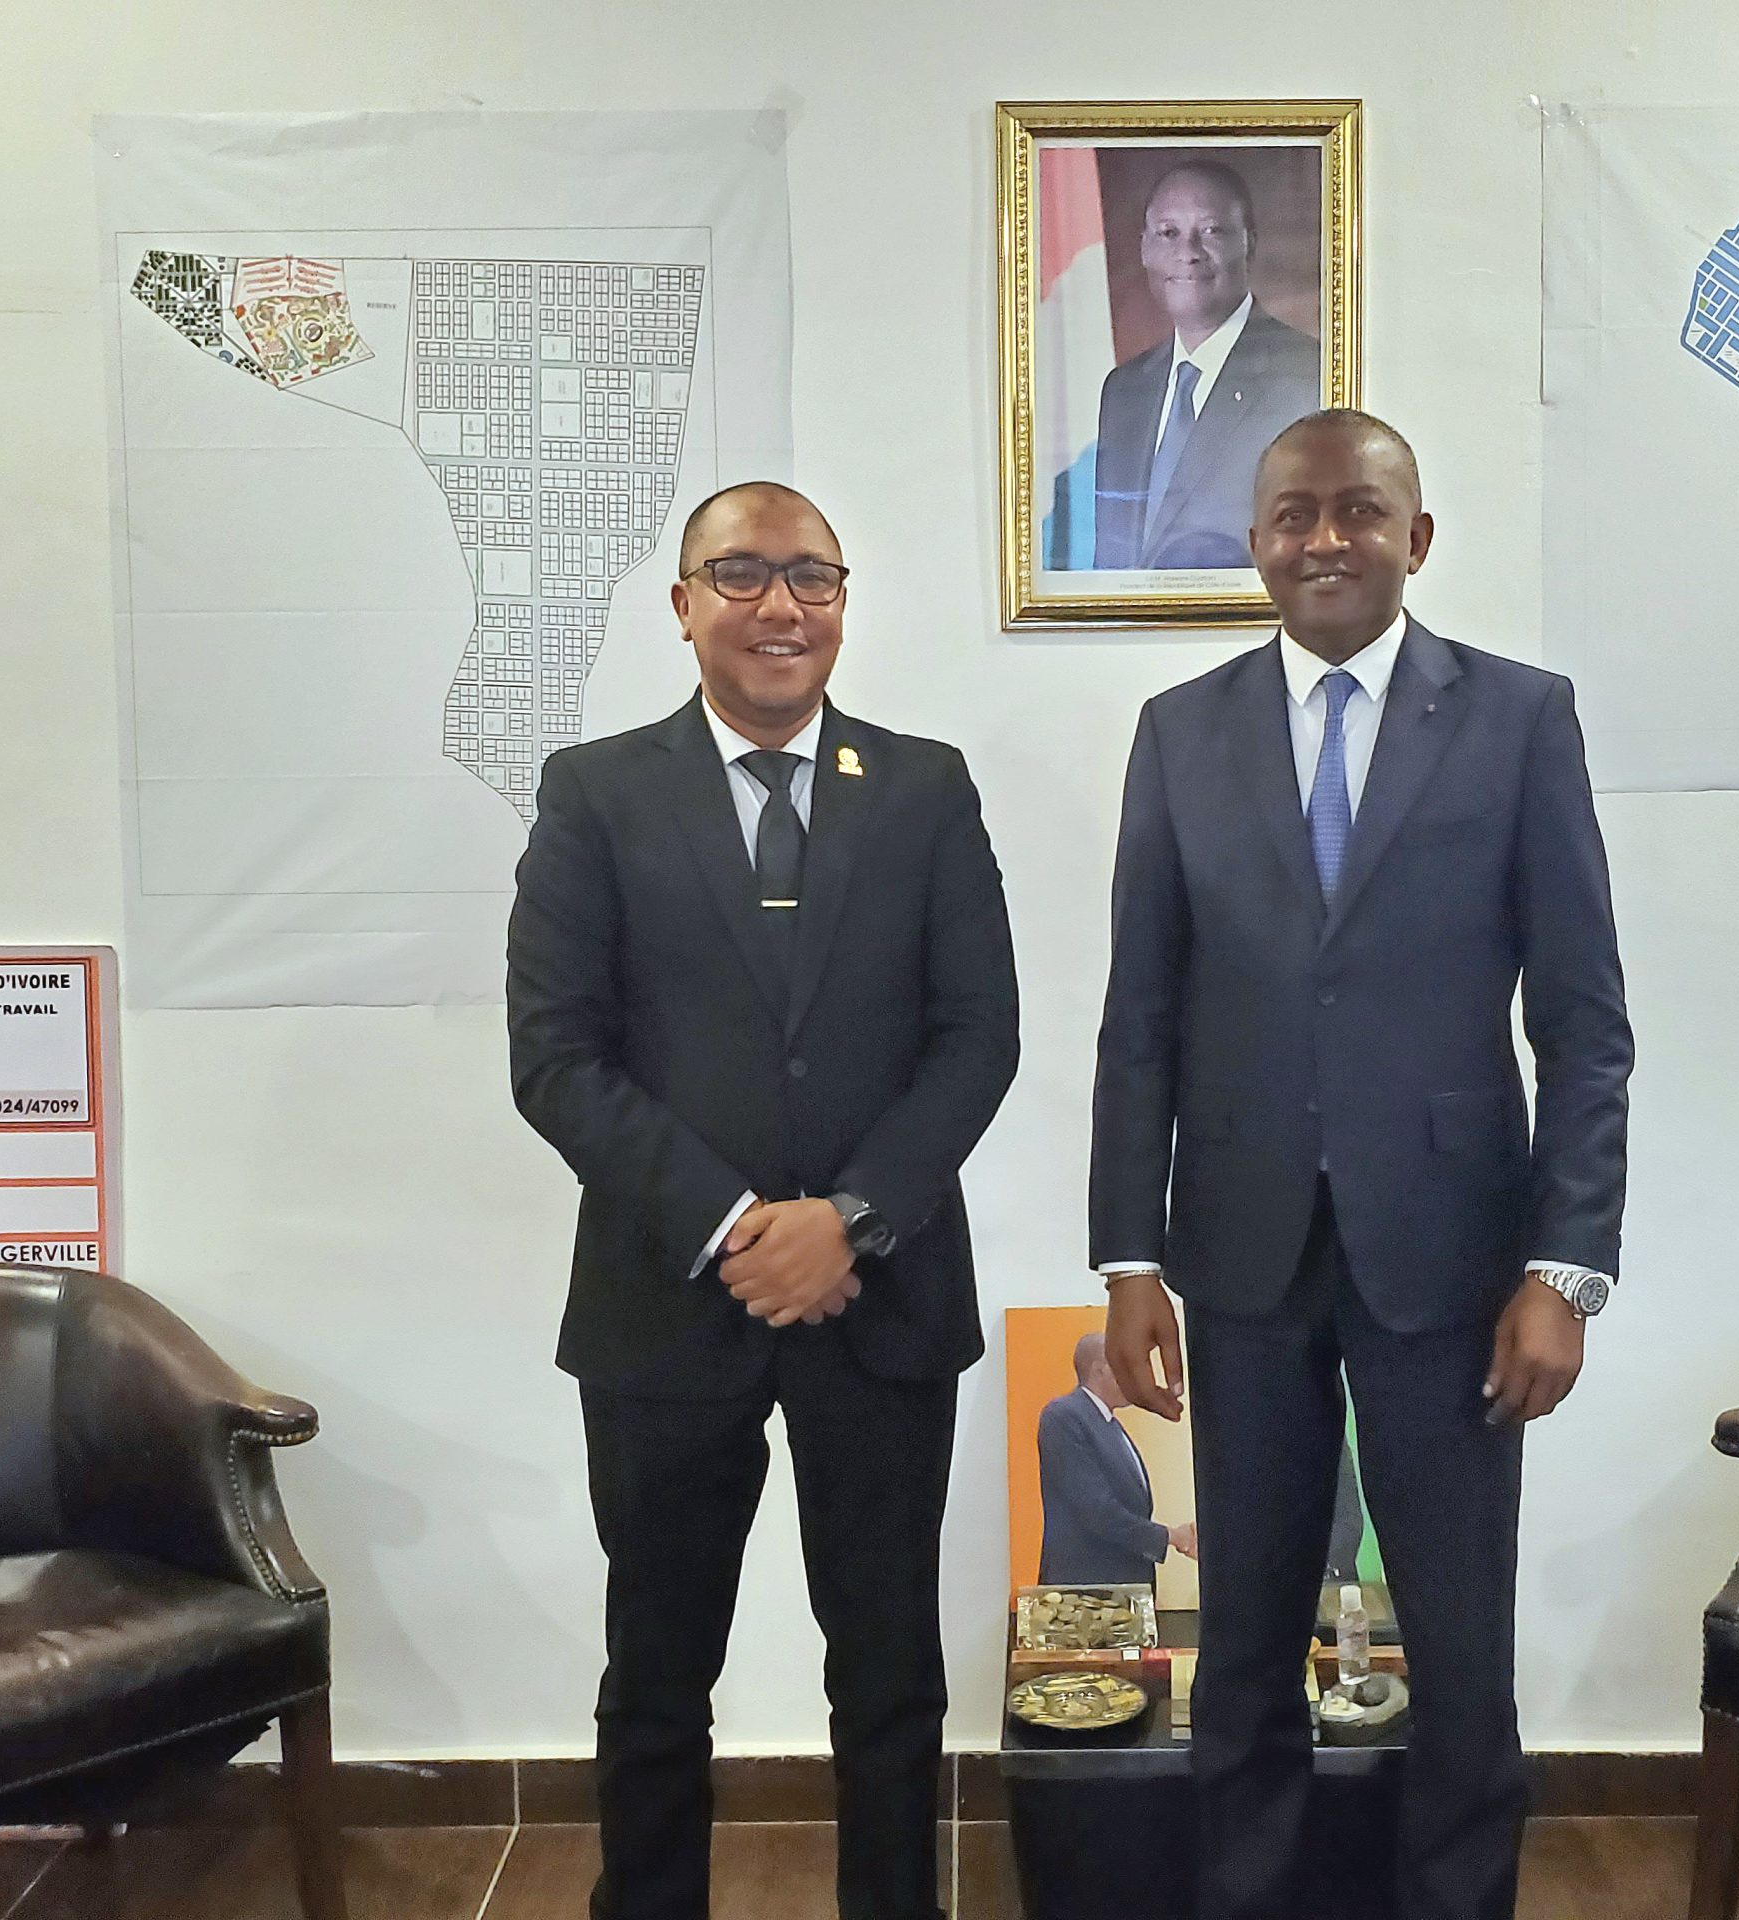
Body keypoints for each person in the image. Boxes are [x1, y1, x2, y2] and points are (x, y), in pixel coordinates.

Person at [1089, 410, 1632, 1920]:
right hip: (1241, 1252)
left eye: (1358, 512)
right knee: (1244, 1639)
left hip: (1455, 1260)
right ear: (1253, 540)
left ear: (1416, 537)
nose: (1324, 539)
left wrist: (1566, 1267)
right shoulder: (1181, 732)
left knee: (1458, 1642)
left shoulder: (1518, 719)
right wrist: (1129, 1259)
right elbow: (1140, 1019)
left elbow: (1584, 1023)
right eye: (1293, 515)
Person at [508, 481, 1020, 1920]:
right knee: (658, 1669)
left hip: (885, 1298)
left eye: (812, 577)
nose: (779, 605)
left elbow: (978, 1038)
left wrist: (846, 1220)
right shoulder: (597, 793)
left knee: (890, 1670)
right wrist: (740, 1227)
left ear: (843, 604)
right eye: (740, 574)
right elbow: (554, 1058)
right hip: (666, 1307)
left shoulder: (923, 789)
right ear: (683, 605)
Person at [1091, 160, 1321, 572]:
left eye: (1212, 231)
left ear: (1249, 243)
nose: (1188, 253)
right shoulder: (1124, 390)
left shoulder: (1307, 375)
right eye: (1168, 233)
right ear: (1144, 248)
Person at [1036, 1331, 1196, 1587]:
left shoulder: (1109, 1425)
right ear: (1100, 1370)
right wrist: (1171, 1536)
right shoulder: (1064, 1417)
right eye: (1126, 1366)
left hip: (1123, 1586)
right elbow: (1096, 1509)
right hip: (1088, 1590)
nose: (1134, 1378)